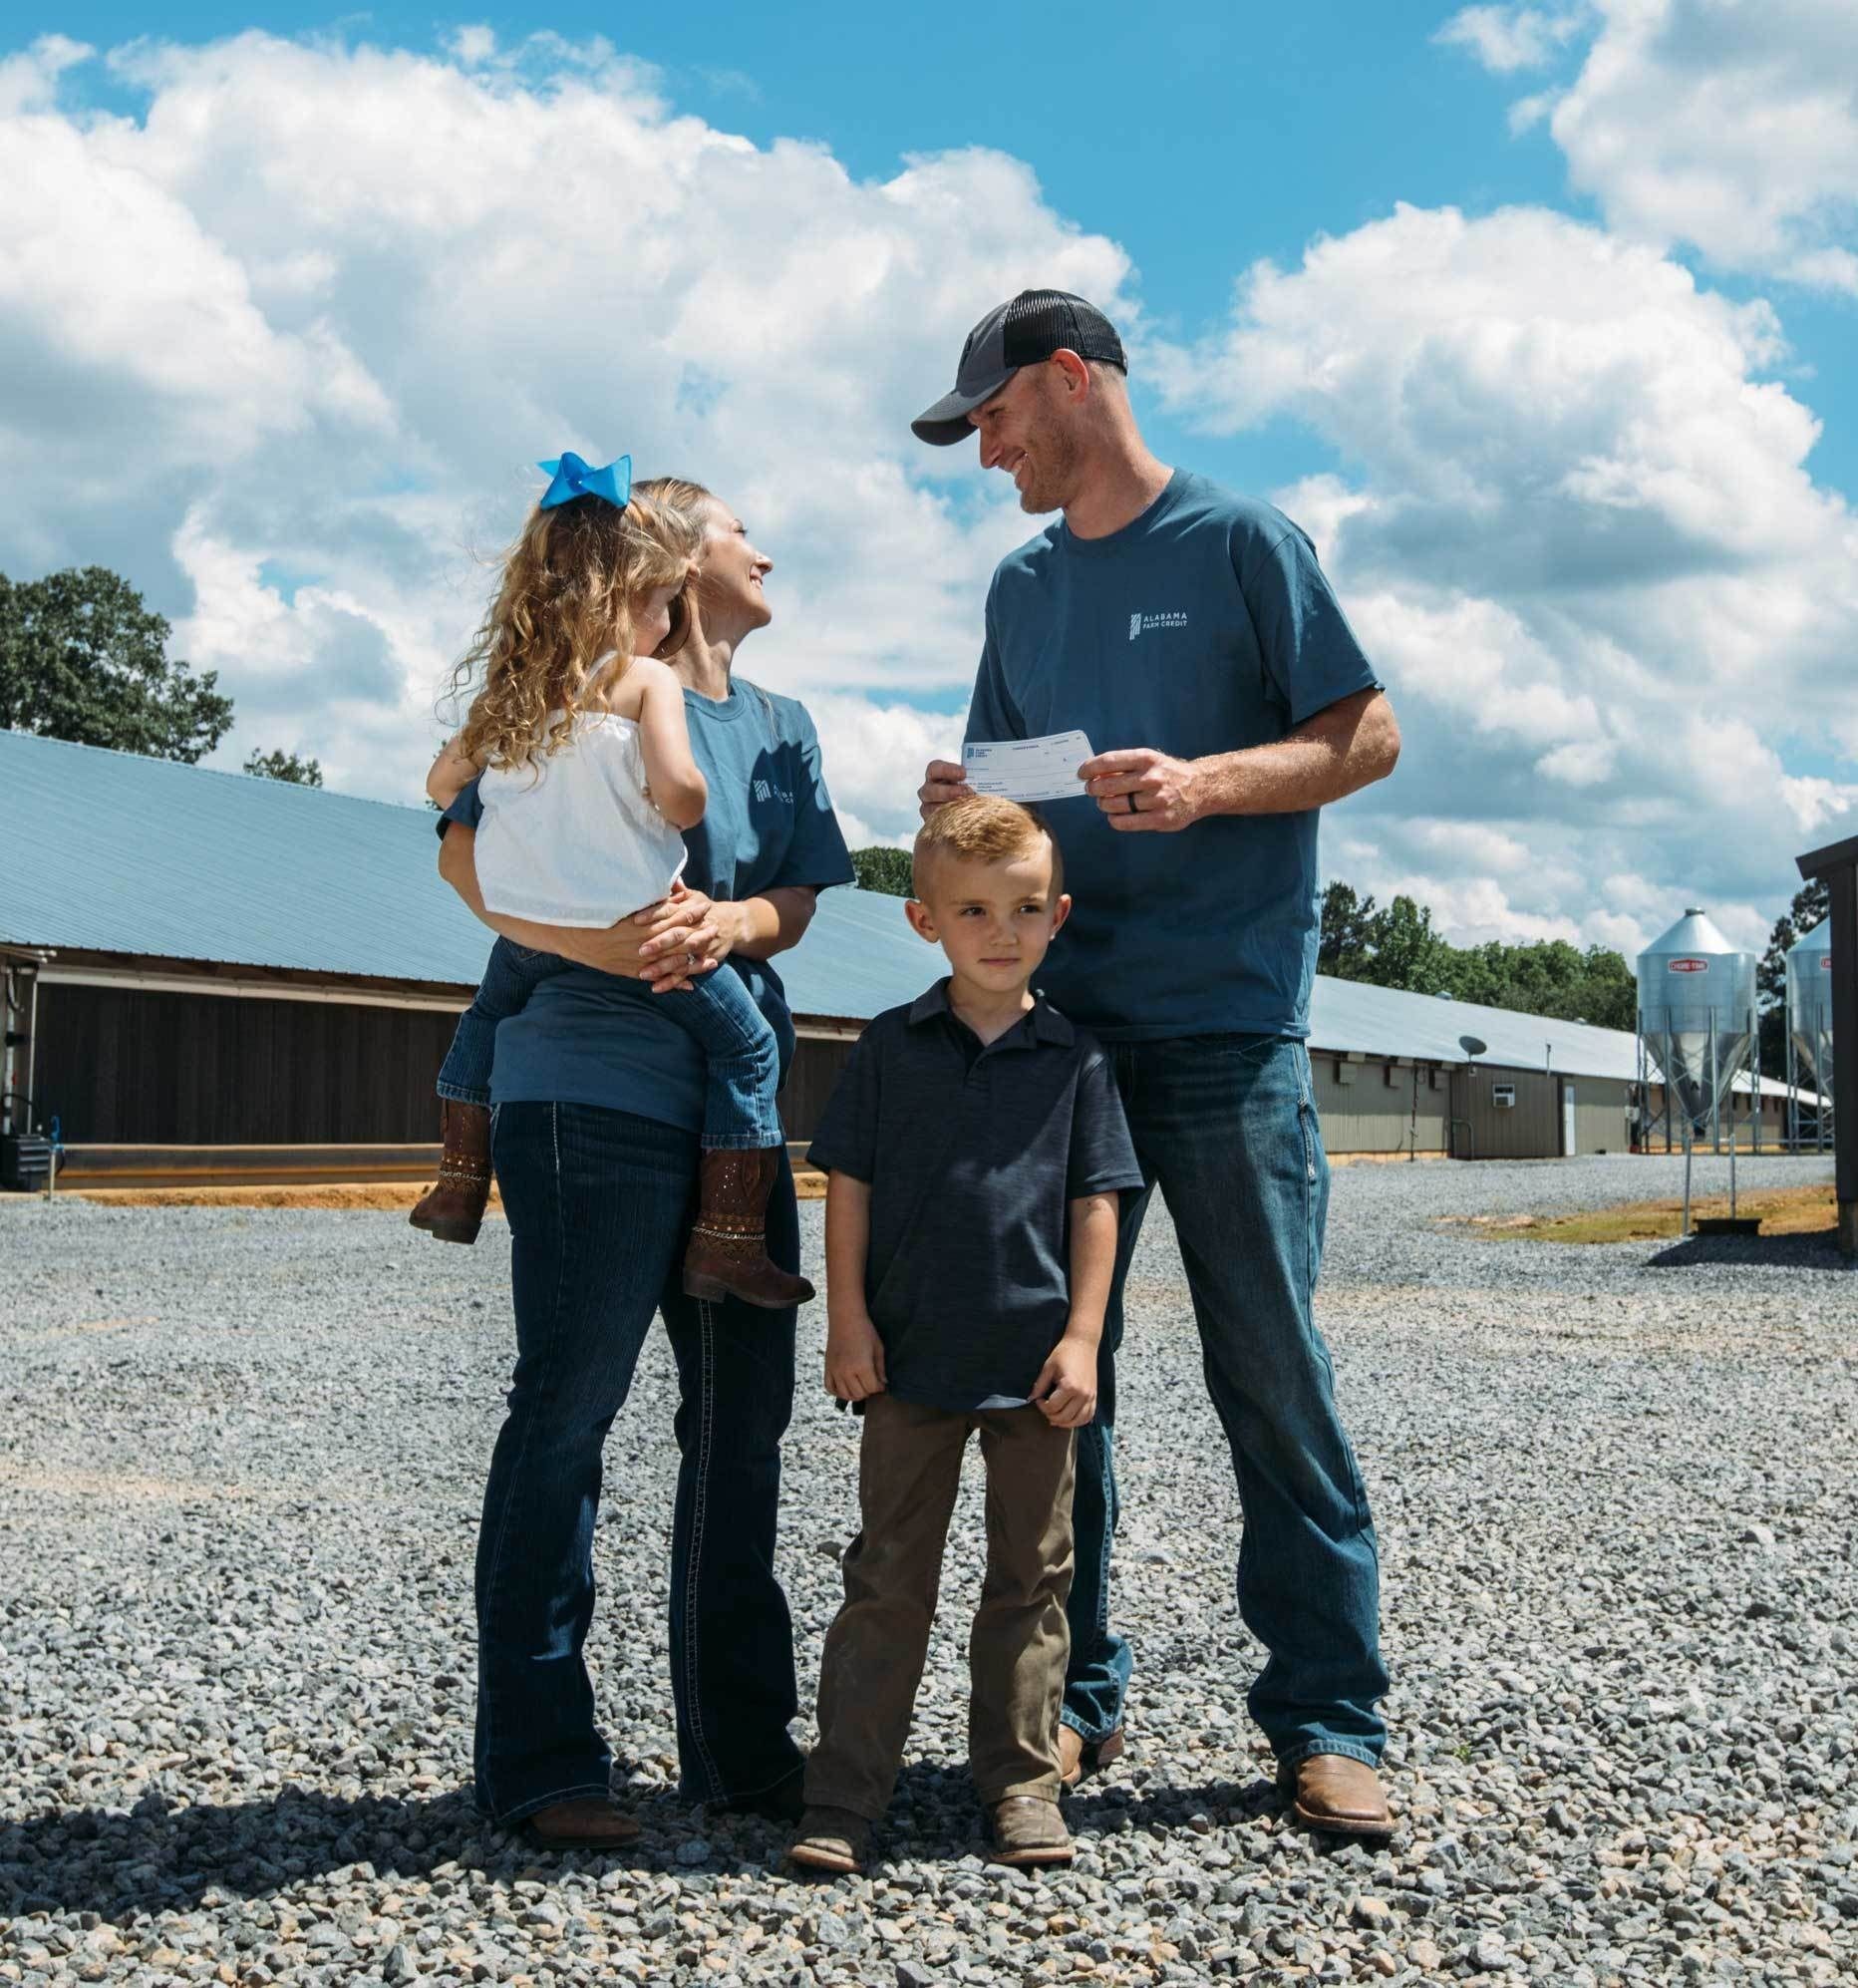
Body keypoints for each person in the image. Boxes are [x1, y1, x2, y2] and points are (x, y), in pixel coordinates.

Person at [913, 290, 1404, 1838]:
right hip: (1070, 1040)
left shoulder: (1245, 542)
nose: (985, 449)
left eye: (993, 415)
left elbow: (1368, 735)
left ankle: (1329, 1716)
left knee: (1270, 1367)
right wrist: (958, 799)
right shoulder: (1022, 587)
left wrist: (1206, 784)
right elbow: (1005, 817)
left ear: (1074, 380)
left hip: (1229, 1030)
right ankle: (1070, 1707)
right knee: (1070, 1385)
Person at [436, 473, 853, 1848]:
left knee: (741, 1433)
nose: (764, 541)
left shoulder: (780, 728)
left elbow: (794, 898)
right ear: (673, 560)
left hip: (735, 1110)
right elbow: (477, 866)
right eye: (743, 522)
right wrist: (610, 945)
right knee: (567, 1414)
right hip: (588, 1095)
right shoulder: (565, 692)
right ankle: (541, 1755)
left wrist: (732, 922)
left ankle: (739, 1753)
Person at [787, 796, 1141, 1875]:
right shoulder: (890, 1050)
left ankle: (1024, 1786)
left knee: (1031, 1583)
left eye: (1026, 908)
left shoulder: (1074, 1058)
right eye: (975, 908)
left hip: (1037, 1372)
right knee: (888, 1573)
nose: (1002, 930)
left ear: (1058, 915)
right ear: (923, 919)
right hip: (907, 1364)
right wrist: (846, 1319)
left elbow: (1097, 1203)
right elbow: (847, 1184)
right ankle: (846, 1795)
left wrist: (1084, 1337)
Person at [413, 453, 809, 1310]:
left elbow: (443, 789)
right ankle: (731, 1240)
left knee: (485, 1018)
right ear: (630, 596)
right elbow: (682, 794)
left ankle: (456, 1176)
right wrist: (673, 797)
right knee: (747, 1046)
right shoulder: (645, 679)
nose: (669, 624)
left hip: (528, 927)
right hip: (638, 927)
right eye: (663, 603)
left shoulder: (515, 694)